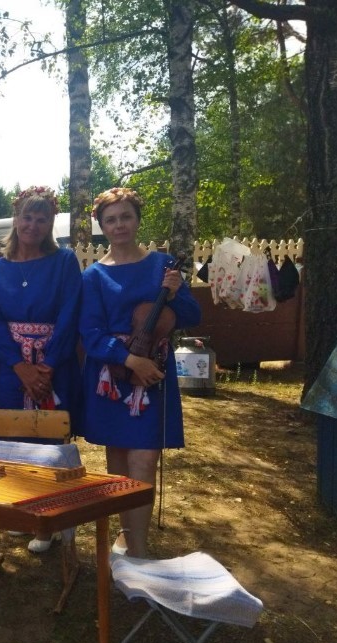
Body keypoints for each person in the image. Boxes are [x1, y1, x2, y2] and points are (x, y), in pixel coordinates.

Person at [80, 187, 201, 558]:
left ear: (137, 220)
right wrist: (130, 360)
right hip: (113, 375)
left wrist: (176, 294)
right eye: (111, 219)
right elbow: (90, 331)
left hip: (153, 375)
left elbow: (192, 316)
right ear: (102, 226)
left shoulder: (163, 265)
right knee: (118, 462)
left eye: (126, 217)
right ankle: (126, 535)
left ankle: (139, 551)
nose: (119, 225)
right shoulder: (94, 276)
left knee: (144, 458)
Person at [0, 185, 83, 553]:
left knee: (48, 441)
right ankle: (21, 511)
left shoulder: (64, 262)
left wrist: (48, 366)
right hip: (9, 366)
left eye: (42, 219)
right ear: (16, 219)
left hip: (54, 362)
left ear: (50, 224)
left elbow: (70, 314)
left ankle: (47, 521)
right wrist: (20, 366)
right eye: (27, 217)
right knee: (11, 437)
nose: (33, 225)